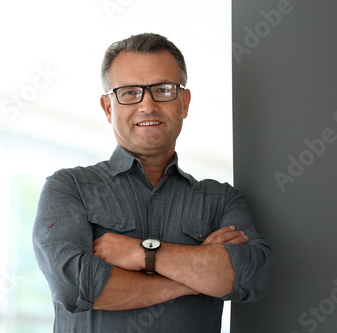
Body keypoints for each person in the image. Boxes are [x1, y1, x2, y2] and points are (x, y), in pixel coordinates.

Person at [32, 32, 273, 333]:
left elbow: (251, 276)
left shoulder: (221, 200)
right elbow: (77, 286)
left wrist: (141, 252)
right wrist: (193, 277)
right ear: (109, 108)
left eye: (163, 89)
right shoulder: (69, 188)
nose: (147, 105)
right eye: (130, 92)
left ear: (183, 103)